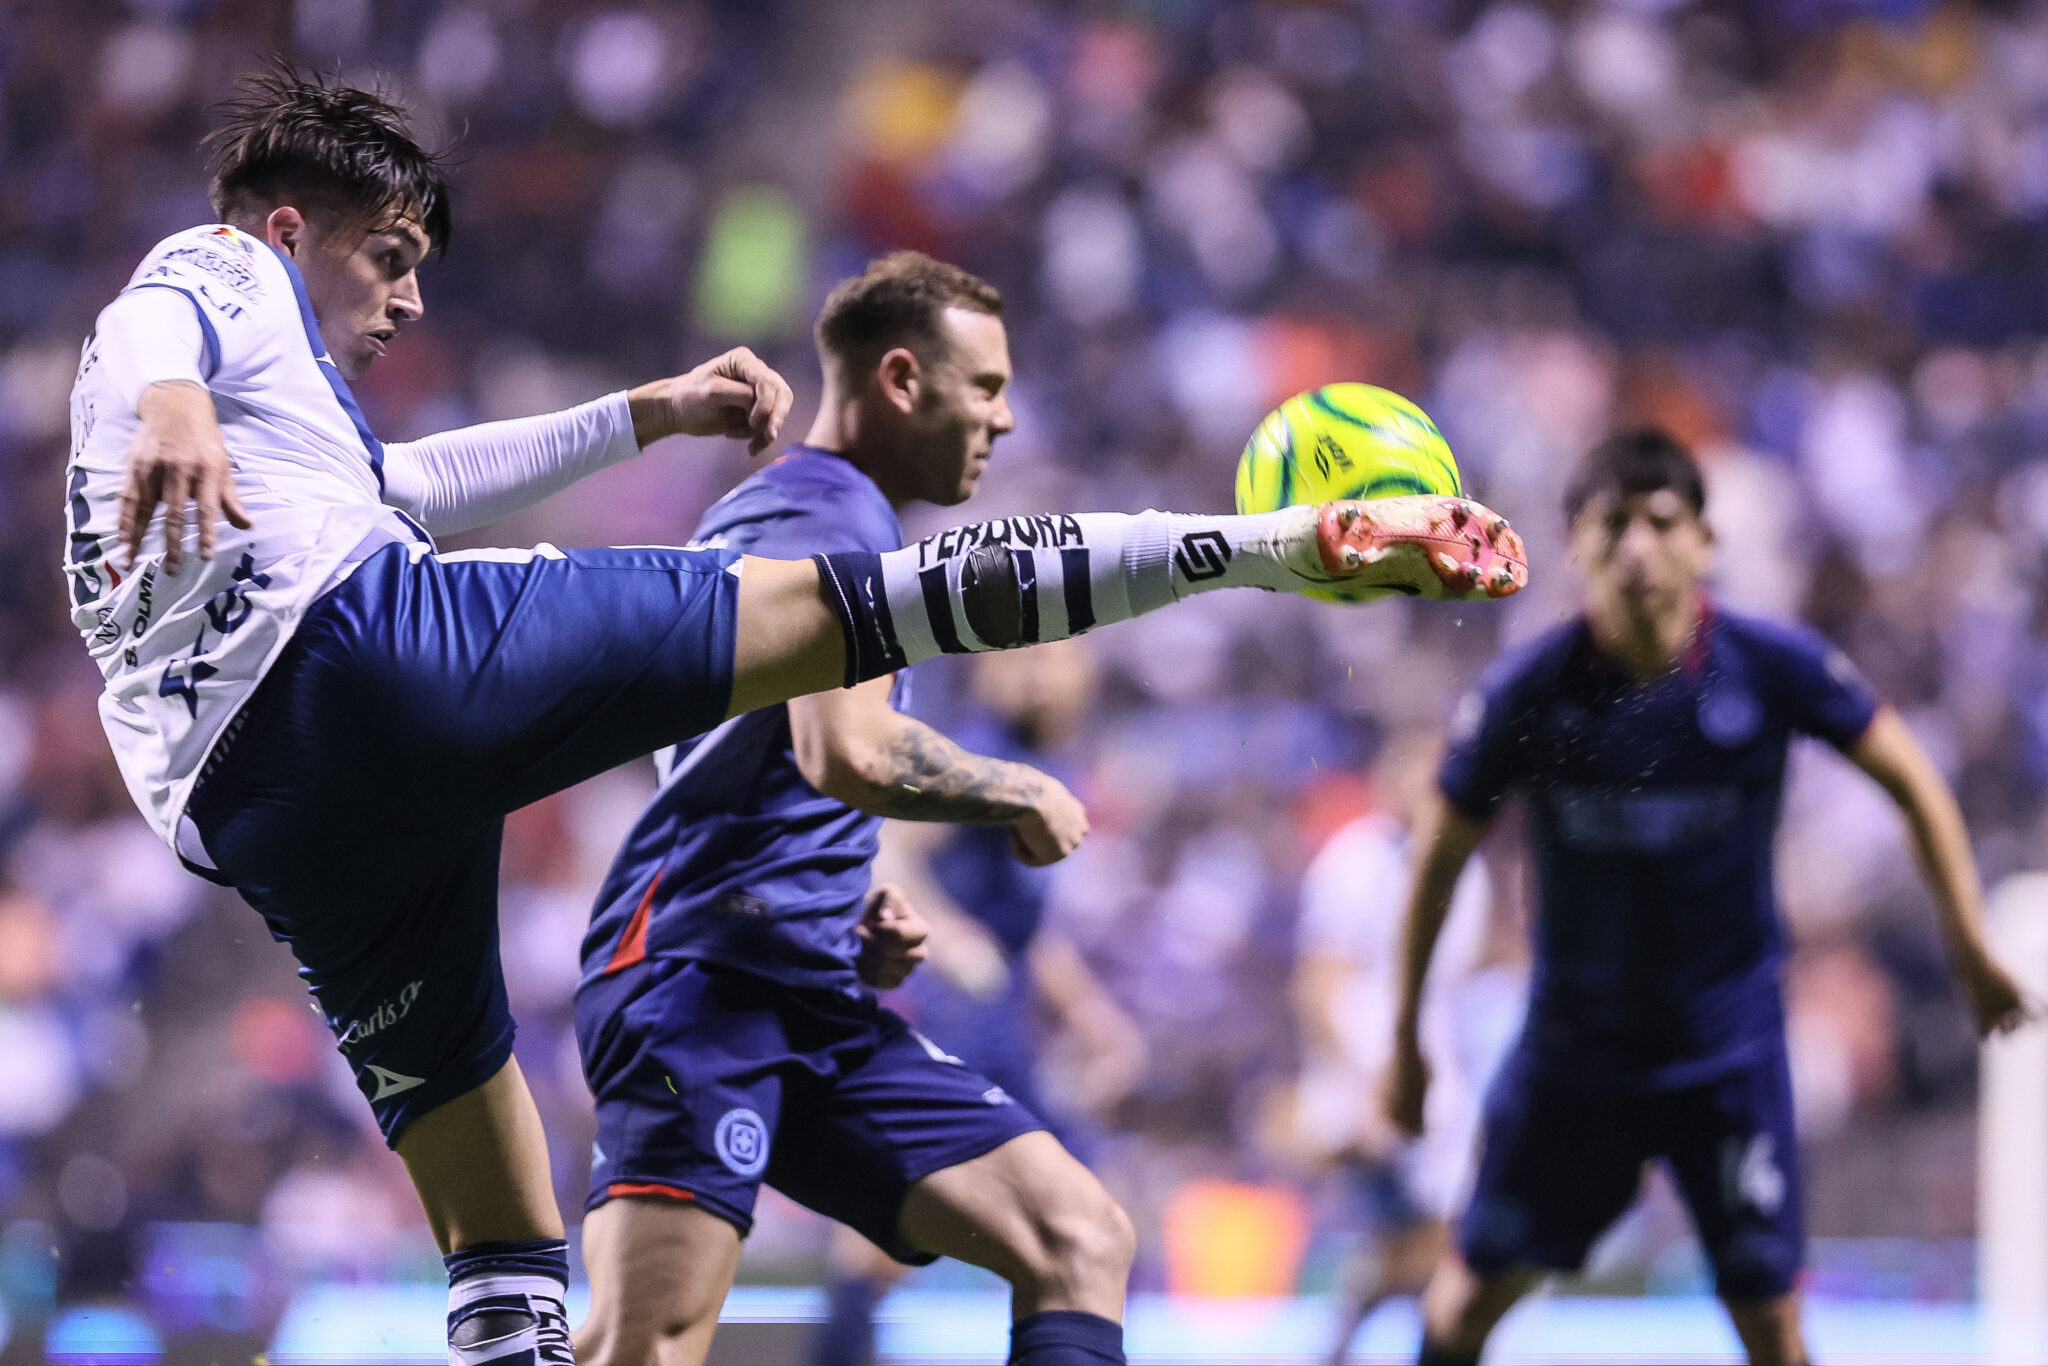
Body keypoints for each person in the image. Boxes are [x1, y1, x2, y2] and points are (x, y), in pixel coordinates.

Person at [63, 63, 1525, 1366]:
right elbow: (155, 318)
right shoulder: (214, 277)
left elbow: (410, 482)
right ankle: (1279, 545)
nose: (412, 299)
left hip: (257, 811)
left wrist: (642, 413)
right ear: (288, 232)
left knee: (503, 1239)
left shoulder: (293, 417)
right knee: (863, 607)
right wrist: (175, 401)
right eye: (390, 259)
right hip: (364, 656)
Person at [574, 257, 1149, 1366]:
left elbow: (743, 762)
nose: (1003, 417)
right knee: (645, 1345)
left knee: (1078, 1237)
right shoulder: (820, 516)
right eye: (985, 387)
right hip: (700, 984)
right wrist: (1020, 788)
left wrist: (844, 903)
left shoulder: (826, 523)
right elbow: (842, 747)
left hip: (807, 987)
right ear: (900, 379)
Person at [1380, 429, 2030, 1366]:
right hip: (1575, 1059)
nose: (1638, 548)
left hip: (1724, 1059)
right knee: (1465, 1307)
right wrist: (1406, 1045)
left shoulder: (1770, 667)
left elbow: (1914, 781)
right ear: (1575, 545)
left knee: (1772, 1327)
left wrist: (1969, 951)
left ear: (1704, 542)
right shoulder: (1531, 692)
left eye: (1661, 521)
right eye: (1613, 525)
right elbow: (1439, 856)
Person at [802, 640, 1149, 1366]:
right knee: (890, 1241)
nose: (1033, 675)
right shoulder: (978, 751)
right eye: (1018, 659)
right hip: (948, 1023)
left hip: (1001, 1033)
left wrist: (1093, 1019)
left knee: (1092, 1220)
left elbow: (1022, 931)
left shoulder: (1047, 763)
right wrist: (953, 938)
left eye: (1050, 657)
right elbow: (892, 851)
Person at [1291, 730, 1518, 1366]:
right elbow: (1320, 984)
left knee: (1420, 1245)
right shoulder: (1352, 861)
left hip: (1436, 1084)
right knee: (1434, 1242)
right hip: (1372, 1082)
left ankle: (1346, 1344)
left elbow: (1459, 983)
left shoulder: (1466, 868)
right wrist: (1359, 1086)